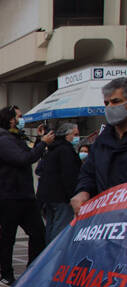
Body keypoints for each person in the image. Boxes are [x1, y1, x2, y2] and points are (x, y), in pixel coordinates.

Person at [0, 105, 54, 286]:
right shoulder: (4, 140)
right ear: (11, 119)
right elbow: (23, 159)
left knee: (38, 233)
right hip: (9, 196)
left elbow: (29, 152)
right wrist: (43, 143)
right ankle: (6, 274)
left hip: (25, 195)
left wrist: (39, 140)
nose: (22, 119)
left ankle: (32, 270)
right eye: (19, 116)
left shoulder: (17, 138)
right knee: (8, 237)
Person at [71, 76, 127, 214]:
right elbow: (88, 173)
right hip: (108, 219)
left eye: (116, 101)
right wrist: (83, 191)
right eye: (106, 103)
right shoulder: (101, 142)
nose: (109, 107)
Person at [35, 122, 82, 243]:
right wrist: (72, 195)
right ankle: (54, 258)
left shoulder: (53, 149)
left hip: (48, 197)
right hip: (61, 197)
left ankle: (48, 256)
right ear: (67, 135)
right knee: (59, 231)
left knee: (51, 228)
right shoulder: (66, 150)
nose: (77, 137)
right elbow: (69, 175)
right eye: (75, 134)